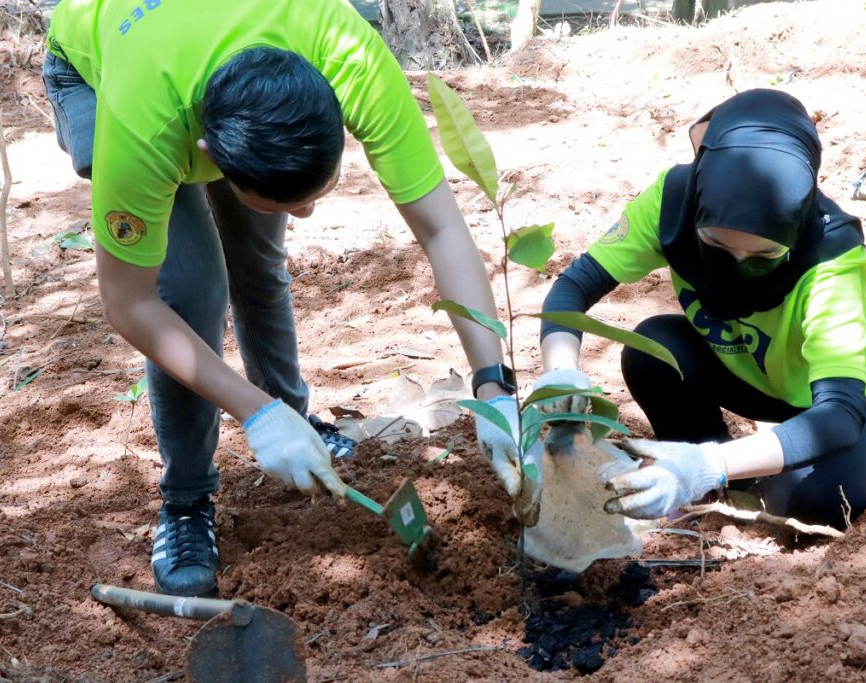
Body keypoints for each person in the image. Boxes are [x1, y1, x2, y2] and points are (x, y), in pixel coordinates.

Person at [43, 0, 523, 598]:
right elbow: (130, 304)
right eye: (292, 202)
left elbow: (443, 229)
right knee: (189, 291)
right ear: (211, 157)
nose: (306, 213)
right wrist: (253, 414)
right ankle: (187, 500)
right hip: (98, 69)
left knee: (258, 265)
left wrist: (493, 381)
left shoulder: (349, 53)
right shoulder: (142, 125)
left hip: (209, 84)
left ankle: (297, 417)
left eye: (315, 193)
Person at [534, 89, 866, 528]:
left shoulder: (831, 257)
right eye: (716, 245)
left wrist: (708, 464)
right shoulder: (671, 203)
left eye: (762, 256)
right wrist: (560, 373)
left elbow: (837, 415)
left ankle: (710, 468)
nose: (736, 266)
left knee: (803, 500)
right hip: (766, 377)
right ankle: (703, 473)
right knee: (652, 350)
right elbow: (573, 288)